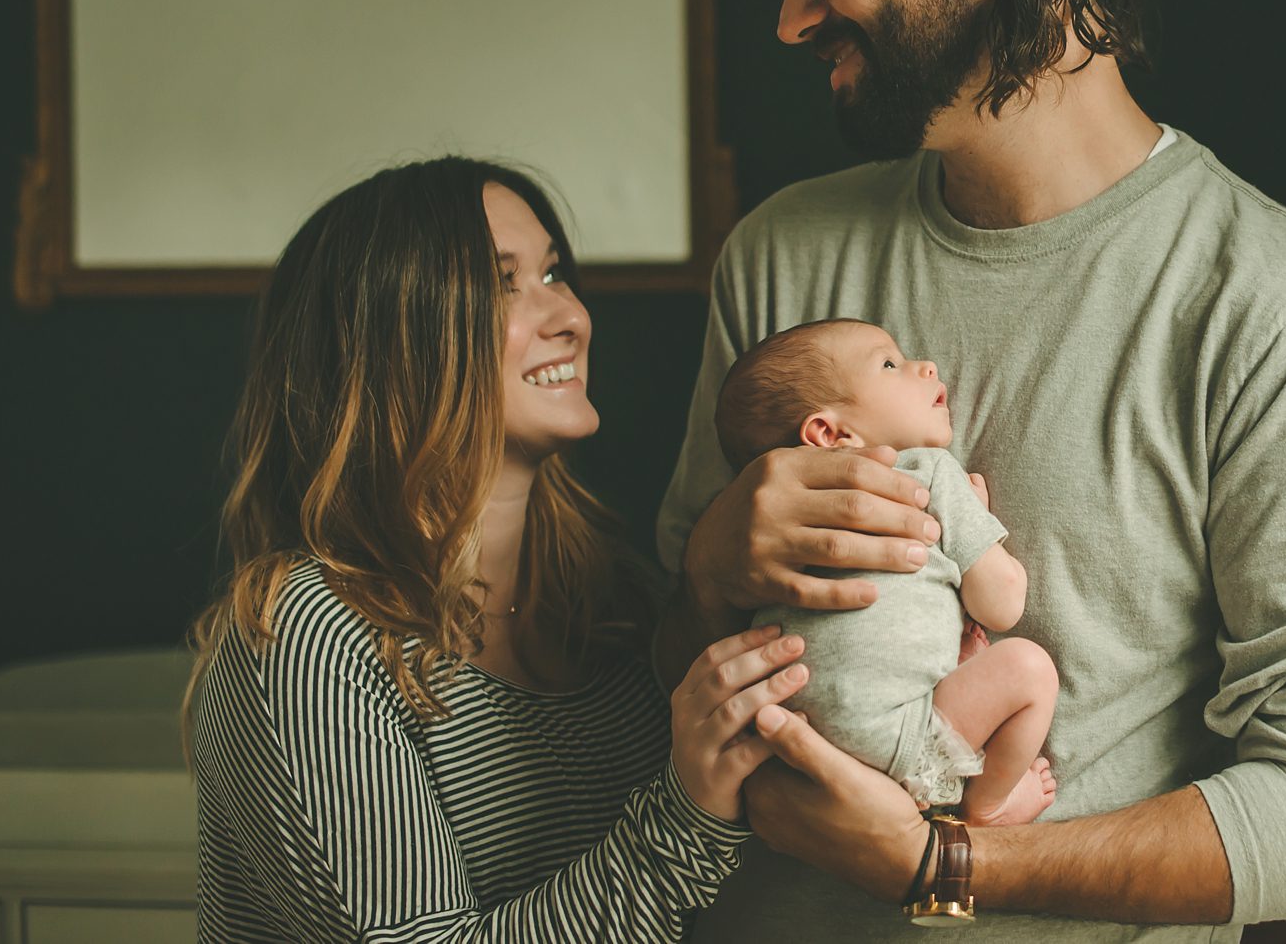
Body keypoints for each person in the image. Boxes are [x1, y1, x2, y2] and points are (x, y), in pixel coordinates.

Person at [654, 0, 1286, 940]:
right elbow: (663, 659)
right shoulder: (783, 255)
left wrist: (941, 862)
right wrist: (709, 561)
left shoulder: (1275, 309)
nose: (791, 17)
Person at [184, 157, 891, 940]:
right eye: (501, 283)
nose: (571, 317)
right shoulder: (311, 636)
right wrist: (684, 820)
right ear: (390, 339)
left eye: (554, 273)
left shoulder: (620, 608)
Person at [715, 318, 1060, 825]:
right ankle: (988, 804)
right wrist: (975, 526)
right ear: (831, 433)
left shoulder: (774, 519)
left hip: (793, 746)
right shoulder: (927, 469)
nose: (926, 367)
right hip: (898, 736)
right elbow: (1003, 603)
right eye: (890, 364)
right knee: (1030, 669)